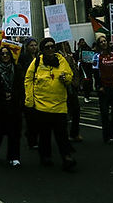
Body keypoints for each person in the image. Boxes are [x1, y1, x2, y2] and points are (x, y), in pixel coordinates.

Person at [24, 37, 76, 171]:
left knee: (62, 134)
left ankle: (67, 157)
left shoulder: (61, 60)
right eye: (47, 47)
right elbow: (28, 80)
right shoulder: (36, 62)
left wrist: (67, 79)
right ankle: (45, 156)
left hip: (59, 105)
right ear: (43, 50)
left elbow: (69, 75)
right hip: (41, 105)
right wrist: (30, 100)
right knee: (45, 134)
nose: (51, 49)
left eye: (52, 46)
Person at [95, 35, 113, 144]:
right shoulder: (97, 57)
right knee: (105, 114)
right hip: (104, 88)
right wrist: (99, 86)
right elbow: (95, 73)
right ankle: (107, 136)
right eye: (101, 42)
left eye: (105, 41)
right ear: (98, 44)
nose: (103, 43)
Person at [17, 38, 40, 150]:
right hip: (26, 89)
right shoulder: (22, 58)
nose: (34, 47)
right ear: (26, 47)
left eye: (35, 45)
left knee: (38, 116)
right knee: (30, 116)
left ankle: (33, 134)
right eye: (31, 45)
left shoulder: (40, 58)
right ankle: (32, 139)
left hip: (39, 90)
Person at [59, 42, 83, 141]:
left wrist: (75, 82)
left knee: (76, 110)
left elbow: (75, 70)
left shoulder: (70, 56)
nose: (67, 47)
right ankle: (64, 135)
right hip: (62, 88)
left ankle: (74, 133)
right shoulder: (59, 57)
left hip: (71, 87)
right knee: (64, 114)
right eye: (65, 45)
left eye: (67, 45)